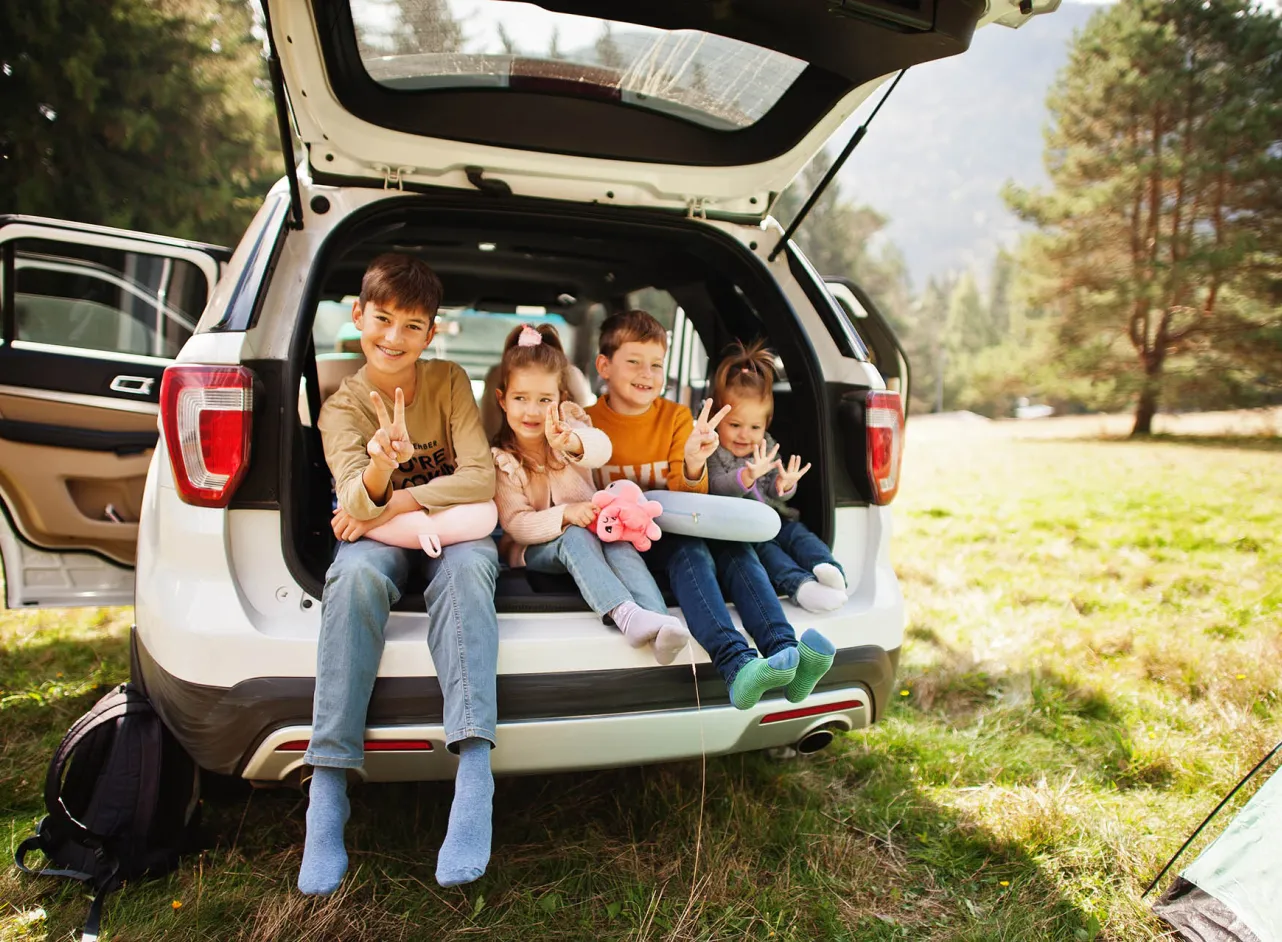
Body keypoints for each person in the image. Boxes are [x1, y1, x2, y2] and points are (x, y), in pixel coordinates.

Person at [302, 253, 499, 895]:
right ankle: (327, 792)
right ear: (357, 314)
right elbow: (356, 502)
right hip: (382, 538)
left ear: (431, 332)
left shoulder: (448, 383)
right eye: (382, 319)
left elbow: (482, 476)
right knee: (354, 576)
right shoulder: (344, 408)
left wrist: (401, 497)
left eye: (412, 326)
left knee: (470, 568)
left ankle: (474, 771)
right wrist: (382, 470)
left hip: (449, 531)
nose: (393, 338)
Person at [585, 310, 835, 709]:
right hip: (622, 543)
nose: (646, 373)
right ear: (604, 366)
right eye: (633, 361)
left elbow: (691, 494)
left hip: (672, 525)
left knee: (737, 550)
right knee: (694, 553)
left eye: (655, 365)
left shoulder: (675, 418)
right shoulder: (587, 422)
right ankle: (737, 664)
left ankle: (788, 656)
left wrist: (693, 461)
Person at [490, 323, 690, 664]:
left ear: (562, 401)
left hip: (596, 530)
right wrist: (565, 515)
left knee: (621, 543)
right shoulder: (503, 459)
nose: (533, 411)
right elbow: (516, 523)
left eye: (545, 400)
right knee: (576, 539)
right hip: (535, 550)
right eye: (520, 399)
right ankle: (626, 615)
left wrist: (571, 441)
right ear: (502, 400)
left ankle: (660, 623)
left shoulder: (570, 427)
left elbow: (602, 448)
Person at [706, 339, 848, 614]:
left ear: (766, 425)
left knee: (800, 536)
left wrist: (784, 485)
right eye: (734, 425)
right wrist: (746, 476)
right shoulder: (714, 451)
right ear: (716, 418)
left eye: (755, 426)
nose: (744, 434)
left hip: (777, 517)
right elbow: (715, 487)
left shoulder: (767, 446)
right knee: (770, 555)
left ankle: (829, 568)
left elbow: (774, 490)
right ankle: (801, 586)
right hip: (745, 529)